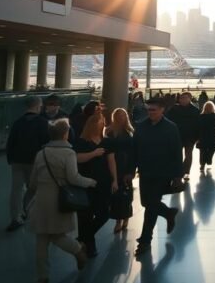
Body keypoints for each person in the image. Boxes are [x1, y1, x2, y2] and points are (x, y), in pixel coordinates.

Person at [29, 118, 95, 283]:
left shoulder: (41, 153)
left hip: (41, 199)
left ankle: (42, 276)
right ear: (65, 134)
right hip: (59, 200)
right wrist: (91, 182)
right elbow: (73, 178)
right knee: (58, 235)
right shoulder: (68, 153)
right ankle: (78, 250)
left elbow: (33, 182)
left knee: (41, 239)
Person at [132, 98, 182, 256]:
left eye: (153, 110)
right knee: (148, 203)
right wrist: (130, 170)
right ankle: (168, 213)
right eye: (148, 110)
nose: (150, 113)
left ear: (162, 110)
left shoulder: (170, 128)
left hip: (162, 173)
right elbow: (135, 149)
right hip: (145, 172)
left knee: (151, 204)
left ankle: (145, 240)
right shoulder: (141, 126)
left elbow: (176, 152)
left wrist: (177, 175)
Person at [6, 95, 48, 231]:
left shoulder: (18, 122)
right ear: (37, 106)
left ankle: (15, 218)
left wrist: (10, 158)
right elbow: (45, 143)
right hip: (33, 161)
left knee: (16, 190)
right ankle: (28, 212)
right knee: (33, 188)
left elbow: (10, 142)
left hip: (17, 160)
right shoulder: (42, 122)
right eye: (40, 105)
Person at [74, 114, 114, 258]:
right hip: (85, 182)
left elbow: (111, 161)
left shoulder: (106, 141)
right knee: (85, 215)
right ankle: (90, 246)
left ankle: (83, 238)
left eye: (102, 122)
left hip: (103, 182)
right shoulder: (81, 141)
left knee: (103, 214)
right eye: (99, 122)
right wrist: (93, 153)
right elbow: (77, 158)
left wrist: (114, 179)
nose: (101, 125)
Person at [105, 108, 135, 234]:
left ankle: (126, 217)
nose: (121, 118)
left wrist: (132, 169)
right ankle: (118, 220)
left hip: (127, 164)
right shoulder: (110, 131)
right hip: (115, 163)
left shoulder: (130, 130)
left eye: (123, 115)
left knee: (127, 194)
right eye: (119, 116)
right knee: (117, 195)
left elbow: (134, 151)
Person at [166, 92, 200, 180]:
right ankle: (177, 171)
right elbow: (167, 120)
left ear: (189, 99)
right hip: (177, 136)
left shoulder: (195, 110)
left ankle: (186, 172)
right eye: (181, 98)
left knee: (188, 155)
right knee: (177, 155)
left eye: (185, 98)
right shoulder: (174, 109)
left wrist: (198, 137)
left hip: (190, 137)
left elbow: (199, 125)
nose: (182, 100)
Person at [196, 101, 215, 170]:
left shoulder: (200, 116)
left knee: (202, 151)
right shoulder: (214, 116)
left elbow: (197, 126)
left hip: (202, 136)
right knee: (212, 149)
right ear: (212, 108)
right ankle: (209, 159)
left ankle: (202, 164)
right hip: (212, 136)